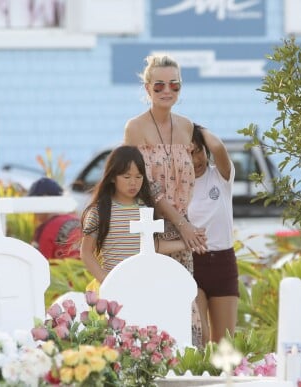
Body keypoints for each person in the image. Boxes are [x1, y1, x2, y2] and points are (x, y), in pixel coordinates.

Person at [123, 53, 207, 346]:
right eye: (159, 86)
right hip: (150, 228)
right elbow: (144, 184)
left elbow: (199, 173)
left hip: (184, 228)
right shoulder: (135, 128)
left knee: (183, 303)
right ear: (147, 89)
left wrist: (189, 226)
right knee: (151, 302)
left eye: (175, 85)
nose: (167, 91)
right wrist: (181, 224)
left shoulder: (187, 128)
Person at [80, 145, 186, 283]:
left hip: (144, 285)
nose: (133, 182)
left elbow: (151, 246)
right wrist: (106, 280)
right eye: (126, 176)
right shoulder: (100, 211)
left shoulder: (146, 208)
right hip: (115, 287)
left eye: (138, 176)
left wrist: (186, 244)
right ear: (112, 178)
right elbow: (86, 252)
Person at [188, 124, 239, 345]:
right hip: (192, 263)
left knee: (224, 343)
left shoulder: (220, 176)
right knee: (201, 337)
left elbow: (218, 146)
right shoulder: (178, 185)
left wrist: (194, 128)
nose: (196, 159)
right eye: (187, 154)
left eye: (197, 150)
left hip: (223, 263)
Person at [28, 177, 82, 259]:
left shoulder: (44, 229)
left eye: (33, 204)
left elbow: (39, 265)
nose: (33, 212)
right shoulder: (77, 219)